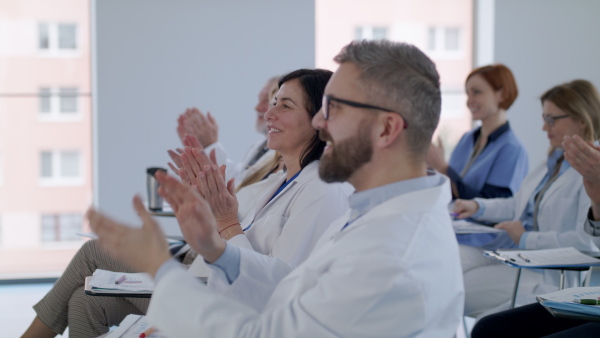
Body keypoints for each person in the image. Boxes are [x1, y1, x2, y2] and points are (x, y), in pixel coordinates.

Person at [88, 40, 464, 337]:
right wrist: (219, 251)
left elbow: (265, 333)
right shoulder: (377, 213)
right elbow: (294, 290)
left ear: (386, 129)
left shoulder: (388, 257)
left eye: (335, 108)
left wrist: (159, 267)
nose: (320, 120)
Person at [22, 69, 348, 338]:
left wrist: (225, 221)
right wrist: (208, 213)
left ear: (320, 119)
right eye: (271, 101)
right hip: (209, 273)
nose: (268, 112)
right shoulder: (283, 179)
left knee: (94, 254)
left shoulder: (321, 189)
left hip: (229, 304)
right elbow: (238, 229)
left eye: (284, 105)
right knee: (85, 302)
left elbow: (277, 289)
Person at [454, 79, 600, 318]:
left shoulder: (592, 172)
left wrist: (527, 238)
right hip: (513, 251)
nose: (544, 127)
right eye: (544, 118)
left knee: (456, 289)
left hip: (545, 271)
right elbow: (517, 203)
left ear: (581, 119)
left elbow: (587, 242)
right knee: (448, 262)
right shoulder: (551, 162)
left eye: (552, 119)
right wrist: (478, 206)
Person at [428, 64, 528, 200]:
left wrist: (443, 168)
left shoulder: (512, 149)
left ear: (502, 95)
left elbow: (492, 204)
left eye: (476, 92)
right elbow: (450, 191)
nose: (469, 101)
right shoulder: (467, 139)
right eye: (468, 93)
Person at [175, 76, 280, 186]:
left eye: (267, 101)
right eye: (259, 100)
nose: (257, 108)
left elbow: (243, 190)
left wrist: (211, 146)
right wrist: (201, 153)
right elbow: (238, 181)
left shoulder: (284, 154)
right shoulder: (259, 145)